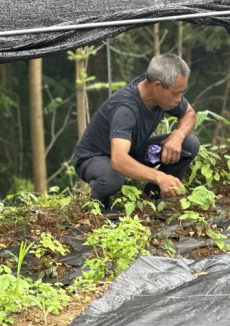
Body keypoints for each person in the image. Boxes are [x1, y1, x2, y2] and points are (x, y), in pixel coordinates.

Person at [73, 54, 199, 210]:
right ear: (157, 86)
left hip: (130, 150)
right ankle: (98, 209)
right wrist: (160, 177)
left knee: (189, 143)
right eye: (176, 93)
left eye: (182, 92)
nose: (179, 99)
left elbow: (189, 114)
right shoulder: (125, 109)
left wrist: (178, 135)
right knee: (112, 178)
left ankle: (153, 200)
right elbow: (118, 160)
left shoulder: (159, 93)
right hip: (94, 158)